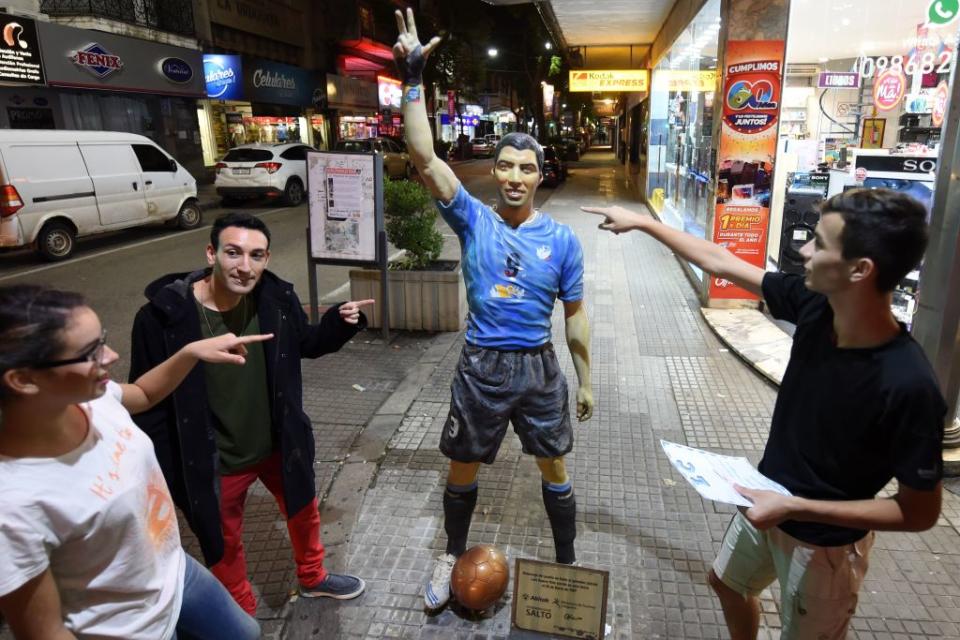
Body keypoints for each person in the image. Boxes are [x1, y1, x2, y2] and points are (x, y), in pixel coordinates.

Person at [584, 188, 945, 640]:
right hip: (767, 500)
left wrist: (795, 505)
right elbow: (720, 261)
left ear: (860, 269)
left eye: (819, 242)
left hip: (823, 546)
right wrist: (643, 222)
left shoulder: (907, 383)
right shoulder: (818, 305)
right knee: (726, 585)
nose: (803, 250)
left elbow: (918, 513)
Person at [393, 8, 595, 611]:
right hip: (481, 367)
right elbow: (425, 157)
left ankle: (567, 573)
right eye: (504, 165)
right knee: (462, 468)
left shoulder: (562, 241)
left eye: (525, 168)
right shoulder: (471, 217)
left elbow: (576, 315)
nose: (512, 175)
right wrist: (411, 76)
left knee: (554, 469)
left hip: (537, 368)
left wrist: (586, 380)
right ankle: (452, 555)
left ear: (539, 176)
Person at [129, 212, 374, 615]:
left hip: (278, 440)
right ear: (211, 253)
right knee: (222, 542)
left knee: (303, 508)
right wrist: (164, 472)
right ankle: (240, 612)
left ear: (266, 259)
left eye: (256, 255)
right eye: (234, 252)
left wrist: (339, 322)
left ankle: (313, 577)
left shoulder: (276, 299)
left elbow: (307, 344)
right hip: (214, 456)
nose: (245, 266)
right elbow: (147, 398)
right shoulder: (162, 318)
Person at [0, 285, 265, 640]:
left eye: (102, 339)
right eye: (90, 352)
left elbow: (144, 393)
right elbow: (44, 631)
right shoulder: (12, 504)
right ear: (23, 380)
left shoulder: (90, 399)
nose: (110, 356)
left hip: (175, 571)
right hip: (132, 629)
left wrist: (190, 352)